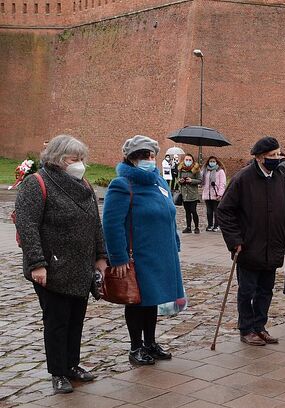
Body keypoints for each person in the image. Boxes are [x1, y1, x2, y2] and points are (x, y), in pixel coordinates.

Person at [14, 135, 106, 394]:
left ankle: (71, 364)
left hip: (80, 266)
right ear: (57, 159)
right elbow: (28, 225)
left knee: (76, 318)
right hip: (52, 267)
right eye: (73, 159)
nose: (79, 164)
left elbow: (95, 224)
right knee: (56, 321)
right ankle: (58, 372)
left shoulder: (83, 184)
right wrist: (37, 264)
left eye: (81, 159)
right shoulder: (37, 183)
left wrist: (101, 256)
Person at [103, 135, 185, 366]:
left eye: (151, 155)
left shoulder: (159, 182)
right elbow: (111, 224)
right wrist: (118, 258)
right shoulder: (122, 185)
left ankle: (150, 342)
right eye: (142, 156)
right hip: (138, 255)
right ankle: (136, 347)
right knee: (137, 301)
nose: (148, 160)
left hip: (162, 254)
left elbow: (170, 215)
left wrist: (175, 242)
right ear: (130, 159)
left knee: (153, 300)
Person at [216, 136, 285, 346]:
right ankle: (246, 328)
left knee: (265, 290)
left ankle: (260, 326)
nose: (277, 158)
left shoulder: (281, 178)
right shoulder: (243, 178)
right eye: (272, 156)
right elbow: (224, 211)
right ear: (259, 158)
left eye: (278, 154)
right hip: (249, 246)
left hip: (273, 245)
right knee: (247, 290)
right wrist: (235, 240)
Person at [201, 156, 226, 232]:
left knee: (216, 211)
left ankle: (216, 225)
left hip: (216, 194)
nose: (212, 163)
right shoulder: (205, 171)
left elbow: (222, 183)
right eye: (210, 161)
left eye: (213, 161)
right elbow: (201, 180)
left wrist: (220, 193)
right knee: (209, 211)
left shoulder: (220, 171)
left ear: (216, 162)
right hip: (207, 193)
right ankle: (210, 225)